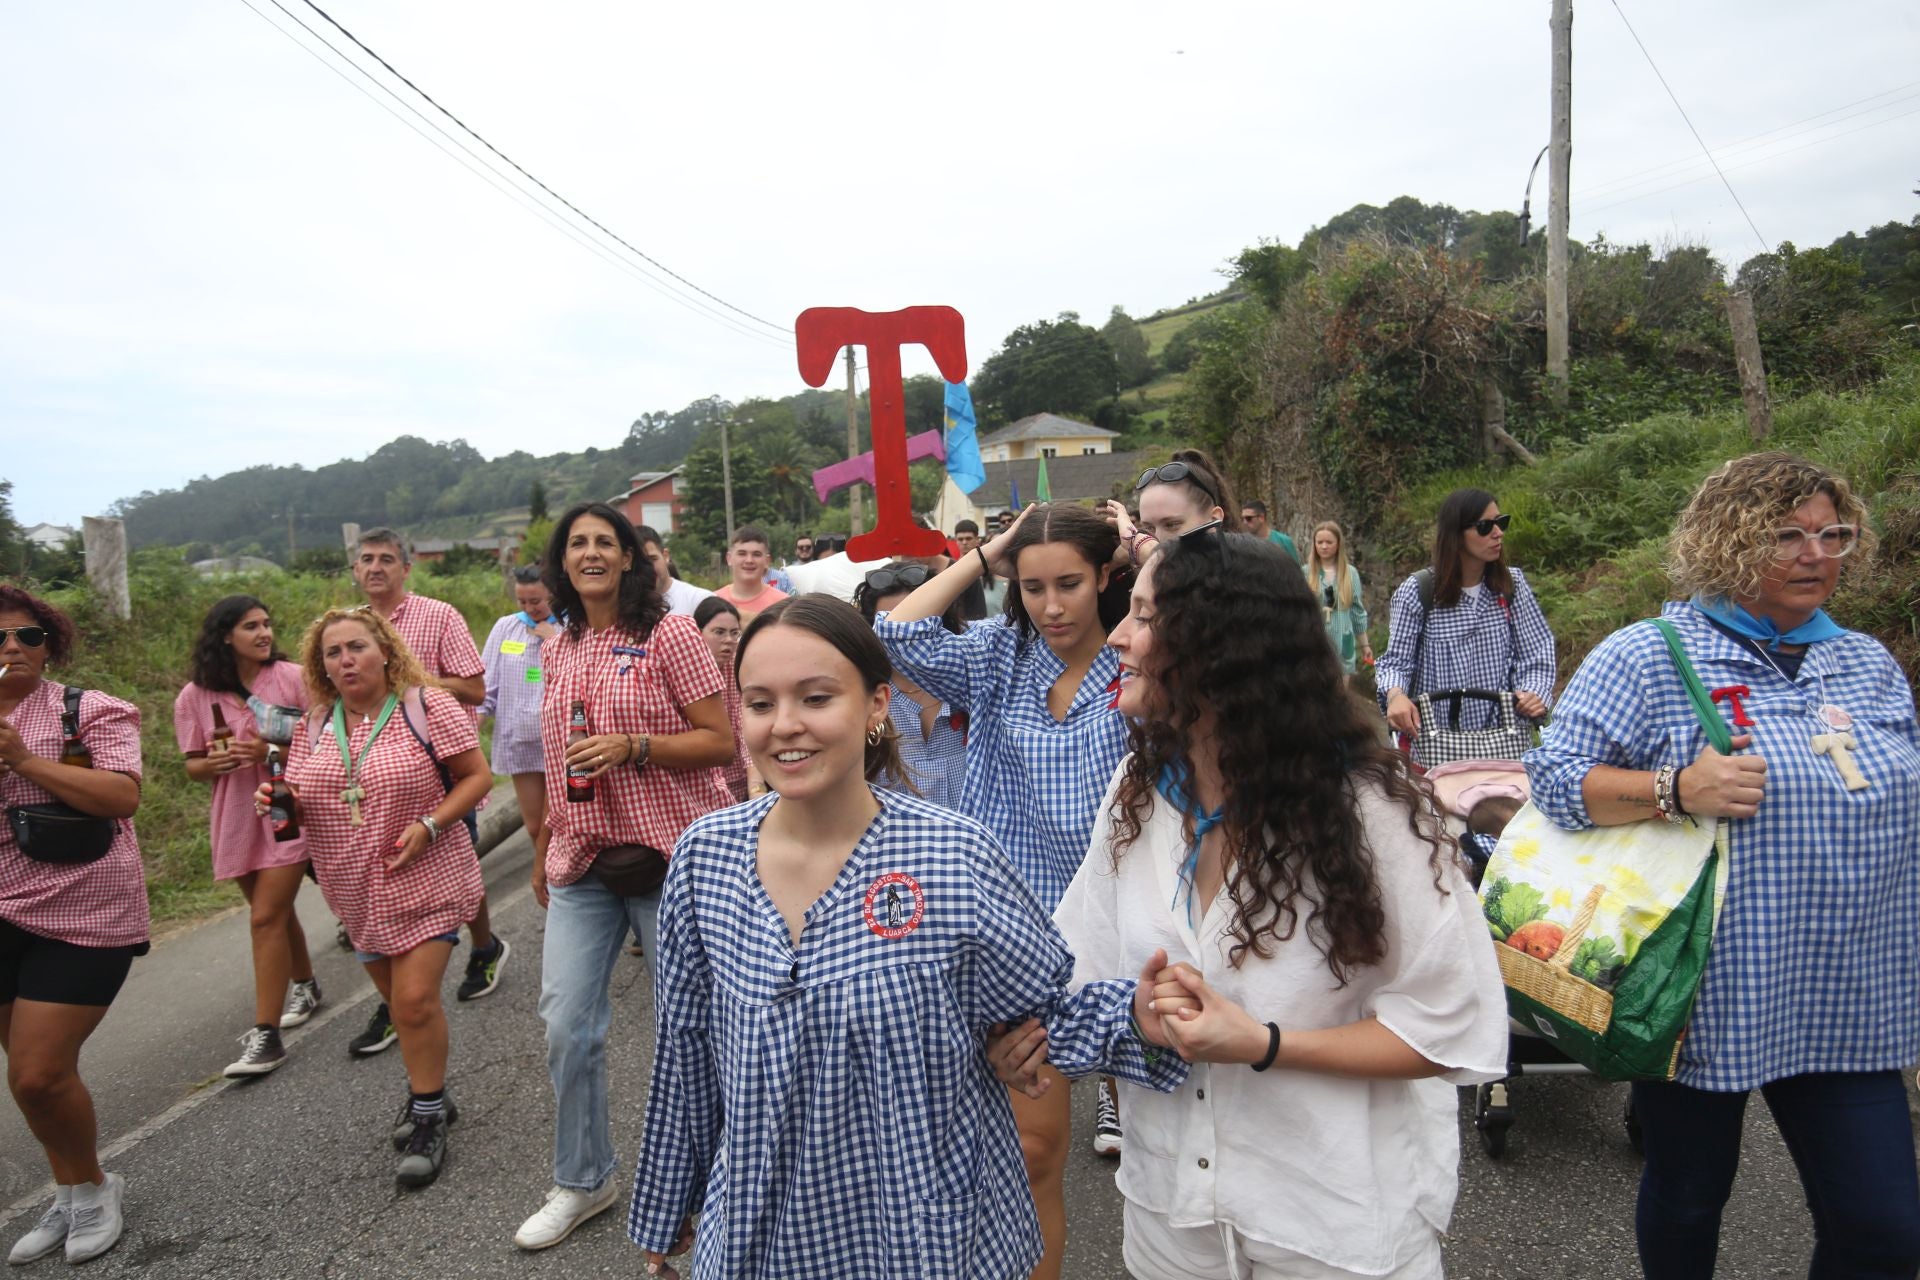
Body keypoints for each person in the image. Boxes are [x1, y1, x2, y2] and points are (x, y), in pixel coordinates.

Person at [993, 529, 1508, 1278]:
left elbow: (1452, 1029)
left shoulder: (1371, 814)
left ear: (1220, 646)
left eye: (1142, 617)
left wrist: (1263, 1042)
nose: (1120, 640)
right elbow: (1083, 973)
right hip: (1175, 1221)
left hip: (1332, 1228)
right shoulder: (1140, 796)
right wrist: (1088, 1023)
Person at [627, 595, 1189, 1278]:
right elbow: (686, 1047)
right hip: (759, 1231)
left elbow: (1040, 1014)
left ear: (876, 706)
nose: (786, 726)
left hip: (925, 1234)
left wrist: (1140, 1014)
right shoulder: (704, 857)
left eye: (816, 697)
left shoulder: (950, 852)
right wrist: (666, 1205)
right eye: (760, 703)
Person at [1525, 452, 1920, 1279]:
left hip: (1849, 991)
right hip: (1701, 993)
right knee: (1691, 1193)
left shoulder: (1867, 663)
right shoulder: (1648, 656)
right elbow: (1555, 780)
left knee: (1885, 1231)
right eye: (1788, 536)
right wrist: (1675, 787)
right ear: (1729, 543)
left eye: (1833, 533)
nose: (1819, 554)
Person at [874, 502, 1134, 1276]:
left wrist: (1145, 548)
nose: (1050, 606)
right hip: (1012, 938)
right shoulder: (994, 655)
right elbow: (899, 633)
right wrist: (990, 552)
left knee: (1172, 1150)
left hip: (1117, 926)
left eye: (1070, 584)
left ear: (1105, 578)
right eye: (1031, 586)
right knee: (1032, 1153)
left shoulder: (1141, 664)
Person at [514, 502, 735, 1252]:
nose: (591, 553)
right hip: (583, 859)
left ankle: (711, 1186)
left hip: (669, 861)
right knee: (567, 1026)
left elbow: (719, 740)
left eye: (605, 541)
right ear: (561, 562)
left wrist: (634, 746)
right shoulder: (561, 641)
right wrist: (546, 837)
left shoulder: (668, 632)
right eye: (577, 543)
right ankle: (584, 1180)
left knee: (692, 1030)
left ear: (631, 557)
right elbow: (557, 754)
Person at [267, 607, 492, 1187]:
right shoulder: (316, 723)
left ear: (385, 651)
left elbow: (476, 777)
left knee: (414, 1002)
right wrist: (281, 801)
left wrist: (431, 824)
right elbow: (302, 793)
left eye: (356, 647)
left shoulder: (426, 705)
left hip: (430, 876)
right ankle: (432, 1098)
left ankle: (425, 1115)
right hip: (354, 888)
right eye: (332, 653)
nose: (345, 660)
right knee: (401, 1006)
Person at [1, 589, 147, 1265]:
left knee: (37, 1073)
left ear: (48, 643)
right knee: (30, 1072)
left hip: (86, 906)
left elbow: (123, 795)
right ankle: (66, 1190)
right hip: (3, 909)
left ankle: (93, 1188)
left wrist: (25, 761)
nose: (11, 648)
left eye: (27, 635)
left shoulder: (84, 709)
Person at [351, 528, 507, 1023]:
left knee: (458, 865)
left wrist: (410, 682)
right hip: (375, 774)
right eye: (366, 559)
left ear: (405, 568)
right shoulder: (349, 627)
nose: (376, 567)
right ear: (355, 570)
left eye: (386, 559)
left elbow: (476, 689)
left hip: (442, 768)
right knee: (382, 869)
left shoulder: (438, 615)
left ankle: (482, 947)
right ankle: (398, 995)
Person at [175, 595, 319, 1079]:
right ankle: (305, 984)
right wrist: (209, 764)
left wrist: (272, 745)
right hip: (236, 814)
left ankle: (266, 1035)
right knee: (276, 914)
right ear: (224, 636)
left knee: (263, 917)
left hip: (285, 804)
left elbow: (331, 734)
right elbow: (192, 764)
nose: (264, 633)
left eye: (266, 624)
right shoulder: (195, 696)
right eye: (250, 626)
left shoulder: (293, 677)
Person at [1376, 488, 1556, 767]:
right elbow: (1395, 662)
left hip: (1503, 742)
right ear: (1456, 535)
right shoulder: (1419, 592)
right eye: (1485, 527)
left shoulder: (1512, 586)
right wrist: (1396, 696)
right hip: (1435, 744)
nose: (1498, 533)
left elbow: (1536, 654)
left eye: (1501, 522)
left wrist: (1533, 693)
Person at [855, 562, 968, 809]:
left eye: (912, 623)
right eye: (889, 625)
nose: (901, 637)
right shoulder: (865, 699)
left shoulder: (970, 682)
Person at [480, 565, 561, 859]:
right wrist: (473, 723)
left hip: (560, 742)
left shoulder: (570, 627)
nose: (530, 608)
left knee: (563, 822)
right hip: (518, 740)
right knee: (535, 826)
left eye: (536, 601)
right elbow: (486, 684)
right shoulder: (506, 628)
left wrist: (553, 639)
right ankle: (547, 882)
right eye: (522, 602)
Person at [1104, 450, 1246, 580]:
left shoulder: (1246, 575)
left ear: (1214, 518)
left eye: (1172, 525)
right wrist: (1111, 564)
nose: (1157, 539)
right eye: (1149, 528)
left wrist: (1134, 543)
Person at [692, 596, 754, 804]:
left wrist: (756, 787)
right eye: (719, 632)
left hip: (739, 777)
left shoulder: (738, 665)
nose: (728, 640)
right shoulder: (684, 670)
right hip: (697, 779)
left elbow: (743, 721)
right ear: (697, 633)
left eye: (734, 633)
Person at [1305, 521, 1372, 678]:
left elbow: (1357, 612)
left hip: (1343, 642)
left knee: (1340, 692)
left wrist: (1365, 645)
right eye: (1320, 542)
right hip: (1315, 643)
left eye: (1329, 542)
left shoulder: (1351, 573)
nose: (1324, 546)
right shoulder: (1306, 572)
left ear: (1338, 544)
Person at [633, 525, 715, 617]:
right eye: (640, 561)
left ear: (665, 556)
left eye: (652, 559)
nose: (648, 567)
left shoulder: (699, 600)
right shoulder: (624, 606)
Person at [714, 526, 788, 616]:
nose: (749, 560)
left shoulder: (783, 605)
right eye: (742, 554)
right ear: (729, 558)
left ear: (767, 561)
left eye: (756, 554)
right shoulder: (714, 601)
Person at [1239, 498, 1301, 562]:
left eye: (1248, 518)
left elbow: (1296, 569)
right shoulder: (1244, 546)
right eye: (1242, 519)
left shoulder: (1284, 541)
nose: (1245, 522)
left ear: (1261, 518)